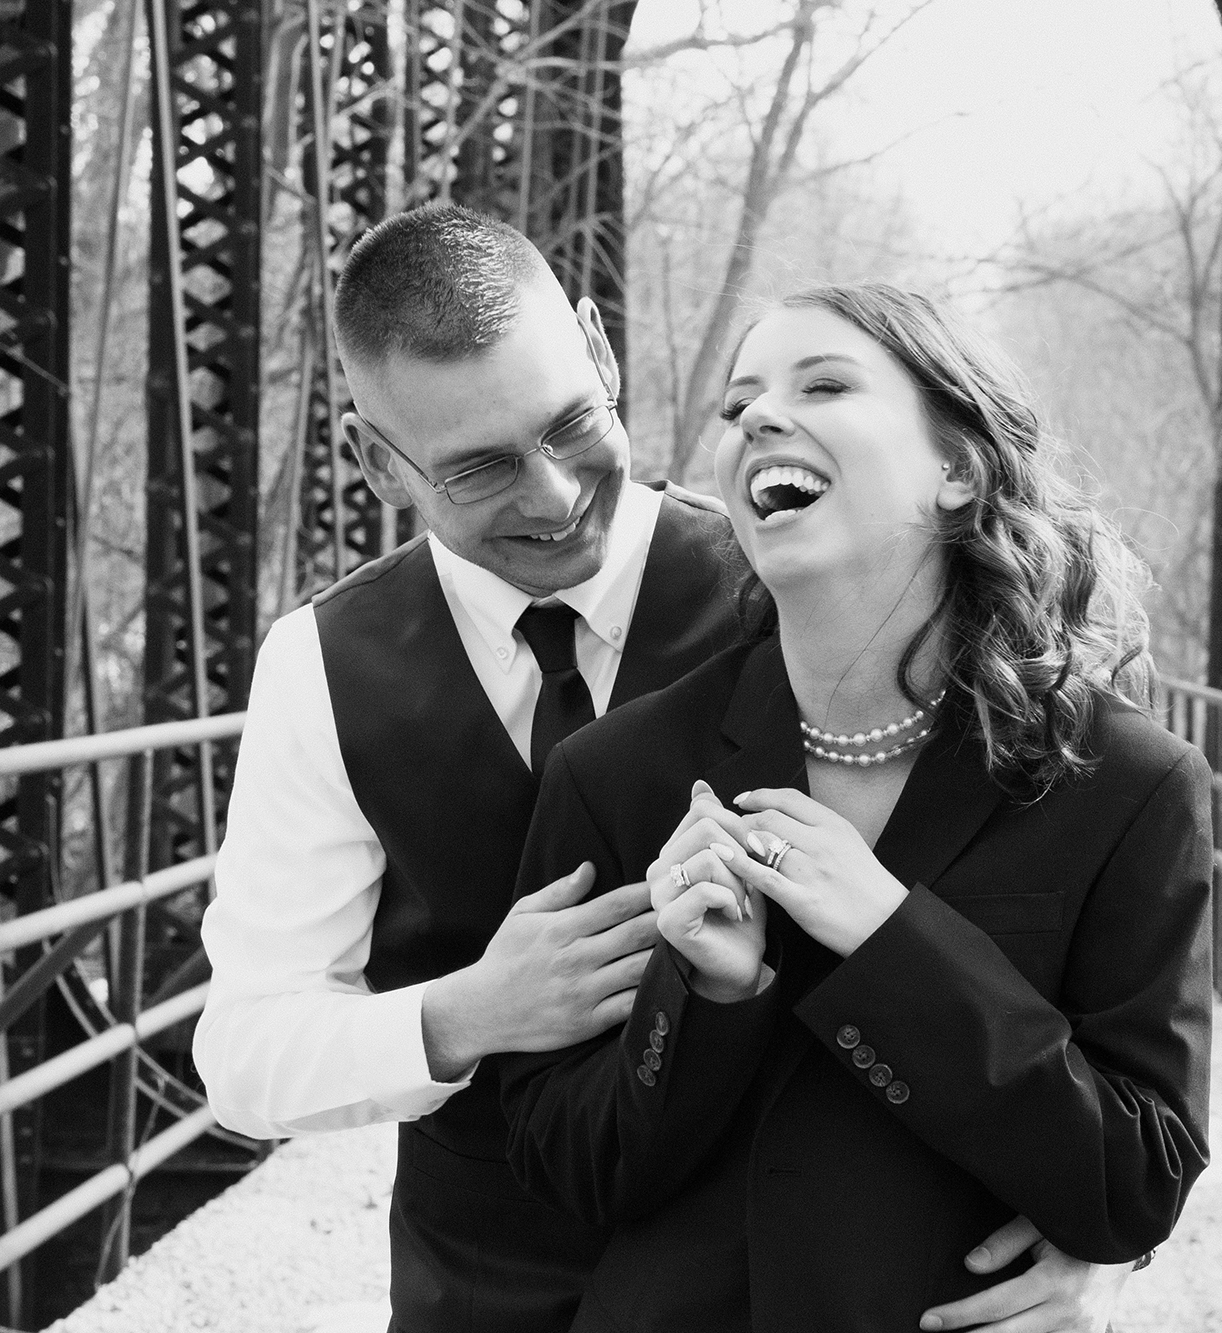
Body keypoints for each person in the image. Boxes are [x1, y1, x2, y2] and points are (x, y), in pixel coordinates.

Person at [194, 206, 1136, 1333]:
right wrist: (461, 1015)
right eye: (480, 467)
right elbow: (243, 1053)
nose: (550, 494)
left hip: (761, 1292)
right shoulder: (319, 666)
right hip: (482, 1295)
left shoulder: (809, 573)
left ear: (599, 348)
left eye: (571, 424)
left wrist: (1098, 1233)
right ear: (373, 462)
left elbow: (1055, 906)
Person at [501, 282, 1214, 1332]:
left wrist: (892, 943)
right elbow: (565, 1169)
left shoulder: (1122, 783)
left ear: (958, 472)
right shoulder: (615, 772)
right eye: (737, 404)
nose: (756, 420)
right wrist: (708, 997)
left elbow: (1138, 1181)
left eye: (822, 383)